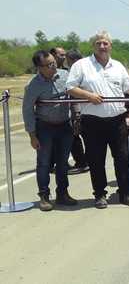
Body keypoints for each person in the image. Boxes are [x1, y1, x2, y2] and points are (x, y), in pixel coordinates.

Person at [66, 30, 129, 209]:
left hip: (117, 121)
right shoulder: (82, 65)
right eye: (98, 43)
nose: (102, 46)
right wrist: (88, 95)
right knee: (96, 159)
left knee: (123, 158)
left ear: (110, 46)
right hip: (92, 122)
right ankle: (100, 195)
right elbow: (70, 87)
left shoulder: (118, 66)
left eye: (105, 43)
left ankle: (125, 194)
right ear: (93, 46)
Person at [23, 50, 78, 211]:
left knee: (63, 163)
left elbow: (74, 97)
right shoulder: (33, 85)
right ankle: (44, 196)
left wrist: (76, 118)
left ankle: (63, 194)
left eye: (54, 62)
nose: (54, 66)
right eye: (49, 65)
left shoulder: (65, 76)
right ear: (39, 67)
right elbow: (27, 111)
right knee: (44, 163)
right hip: (45, 128)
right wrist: (32, 135)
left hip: (65, 126)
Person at [64, 50, 89, 174]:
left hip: (78, 109)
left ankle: (82, 163)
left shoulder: (78, 72)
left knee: (75, 137)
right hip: (80, 109)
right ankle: (85, 162)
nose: (66, 62)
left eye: (67, 60)